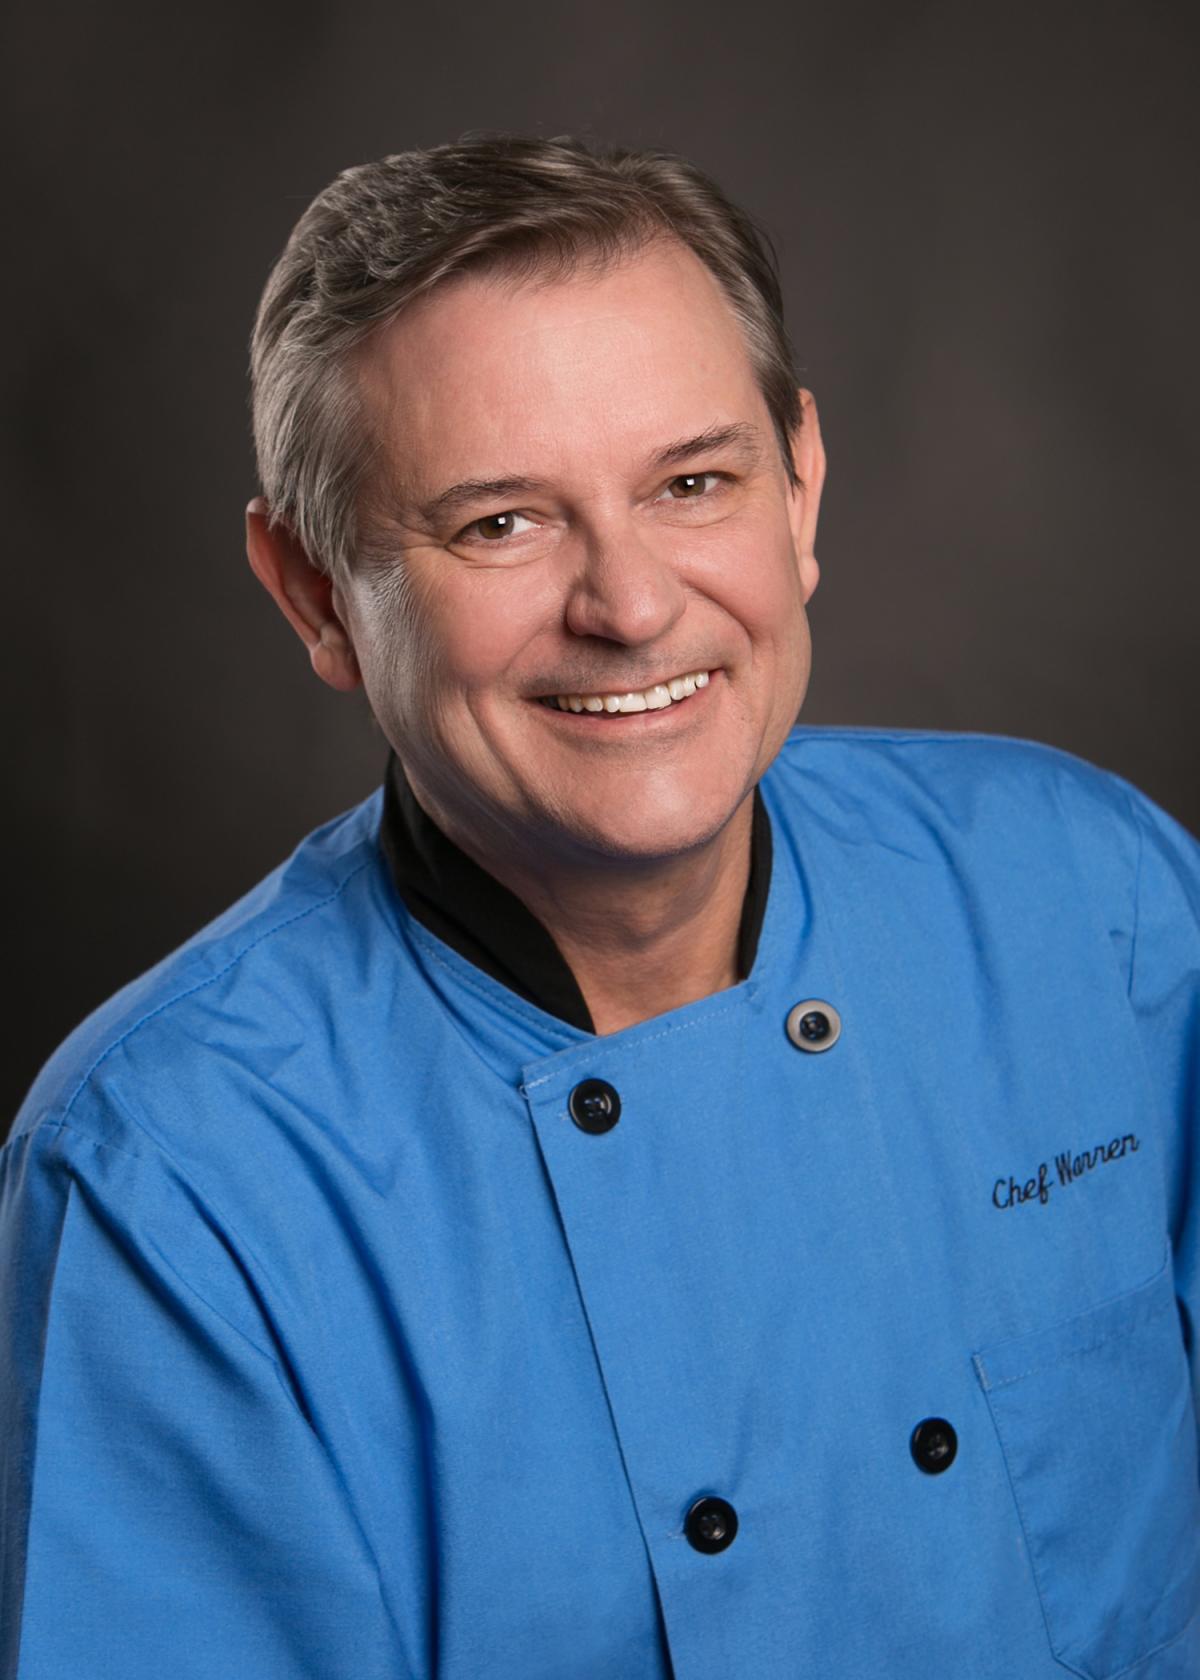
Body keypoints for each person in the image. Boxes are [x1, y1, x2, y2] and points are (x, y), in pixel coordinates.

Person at [2, 132, 1198, 1680]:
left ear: (802, 486)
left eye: (692, 482)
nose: (629, 608)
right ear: (314, 595)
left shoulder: (1087, 895)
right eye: (501, 521)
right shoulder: (173, 1177)